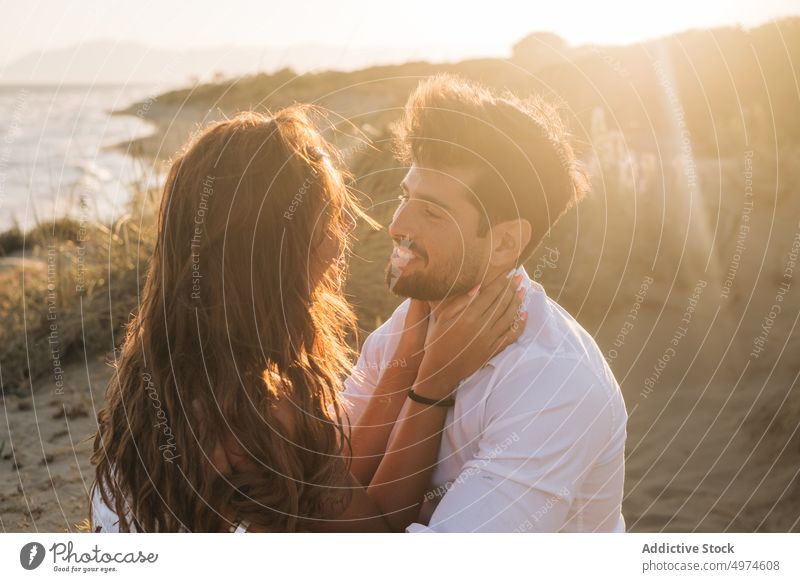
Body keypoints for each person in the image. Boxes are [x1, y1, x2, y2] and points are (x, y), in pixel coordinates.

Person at [90, 106, 526, 533]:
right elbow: (380, 536)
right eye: (333, 214)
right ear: (279, 249)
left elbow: (332, 482)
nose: (350, 224)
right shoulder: (257, 409)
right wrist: (435, 385)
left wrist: (409, 350)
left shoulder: (168, 366)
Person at [342, 74, 629, 532]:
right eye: (404, 195)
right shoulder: (407, 324)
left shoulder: (557, 386)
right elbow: (330, 488)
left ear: (502, 244)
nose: (397, 225)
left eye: (433, 211)